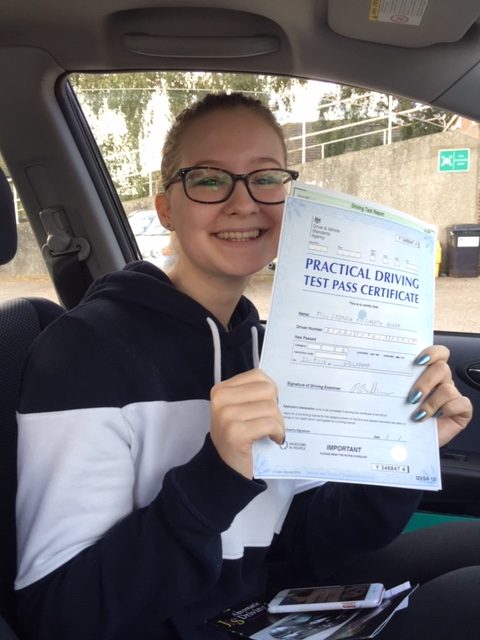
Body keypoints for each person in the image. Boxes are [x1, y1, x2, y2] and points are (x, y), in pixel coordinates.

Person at [14, 92, 477, 640]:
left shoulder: (269, 346)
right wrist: (220, 472)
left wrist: (405, 452)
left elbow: (306, 543)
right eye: (209, 179)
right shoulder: (85, 351)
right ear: (166, 208)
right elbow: (60, 614)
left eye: (266, 178)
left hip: (257, 609)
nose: (243, 203)